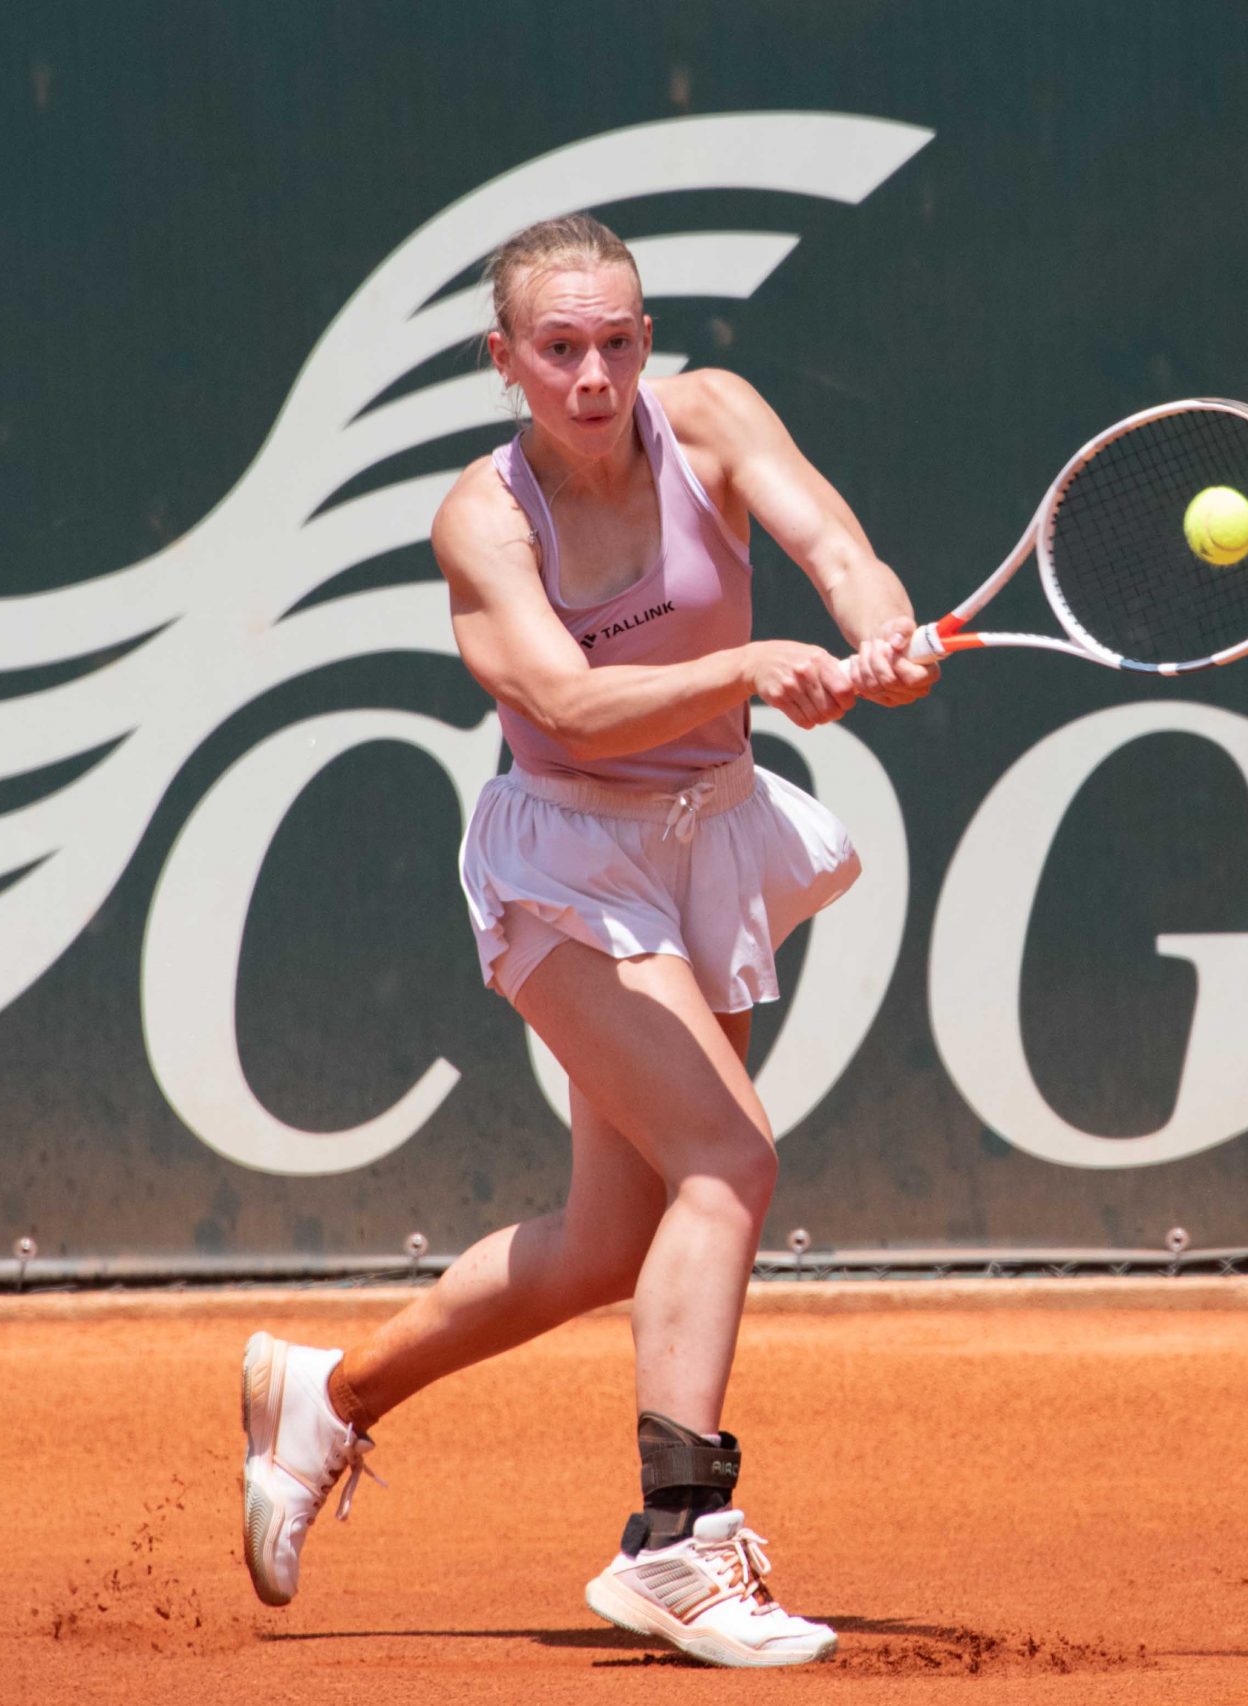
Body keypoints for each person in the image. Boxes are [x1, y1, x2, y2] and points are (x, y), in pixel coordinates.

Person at [239, 212, 933, 1666]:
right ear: (507, 359)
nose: (595, 373)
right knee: (730, 1158)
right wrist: (746, 663)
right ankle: (680, 1536)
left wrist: (882, 636)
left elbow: (837, 545)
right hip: (565, 862)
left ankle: (329, 1395)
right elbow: (564, 706)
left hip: (709, 839)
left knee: (614, 1238)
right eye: (559, 349)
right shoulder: (480, 521)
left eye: (619, 341)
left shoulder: (718, 418)